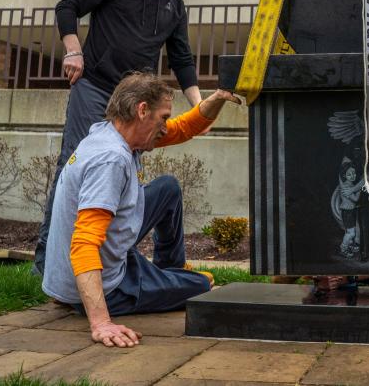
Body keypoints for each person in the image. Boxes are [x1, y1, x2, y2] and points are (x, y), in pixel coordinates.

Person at [34, 0, 201, 275]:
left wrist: (200, 105)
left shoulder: (176, 6)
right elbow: (68, 6)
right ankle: (47, 263)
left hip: (134, 104)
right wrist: (73, 51)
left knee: (125, 173)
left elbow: (182, 58)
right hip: (94, 87)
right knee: (73, 168)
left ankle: (110, 259)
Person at [41, 72, 240, 348]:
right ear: (142, 110)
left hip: (90, 266)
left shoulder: (109, 132)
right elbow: (84, 244)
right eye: (163, 118)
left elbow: (184, 127)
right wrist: (101, 323)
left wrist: (218, 98)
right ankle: (169, 281)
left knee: (167, 188)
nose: (166, 126)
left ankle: (170, 271)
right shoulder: (111, 160)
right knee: (202, 284)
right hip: (107, 286)